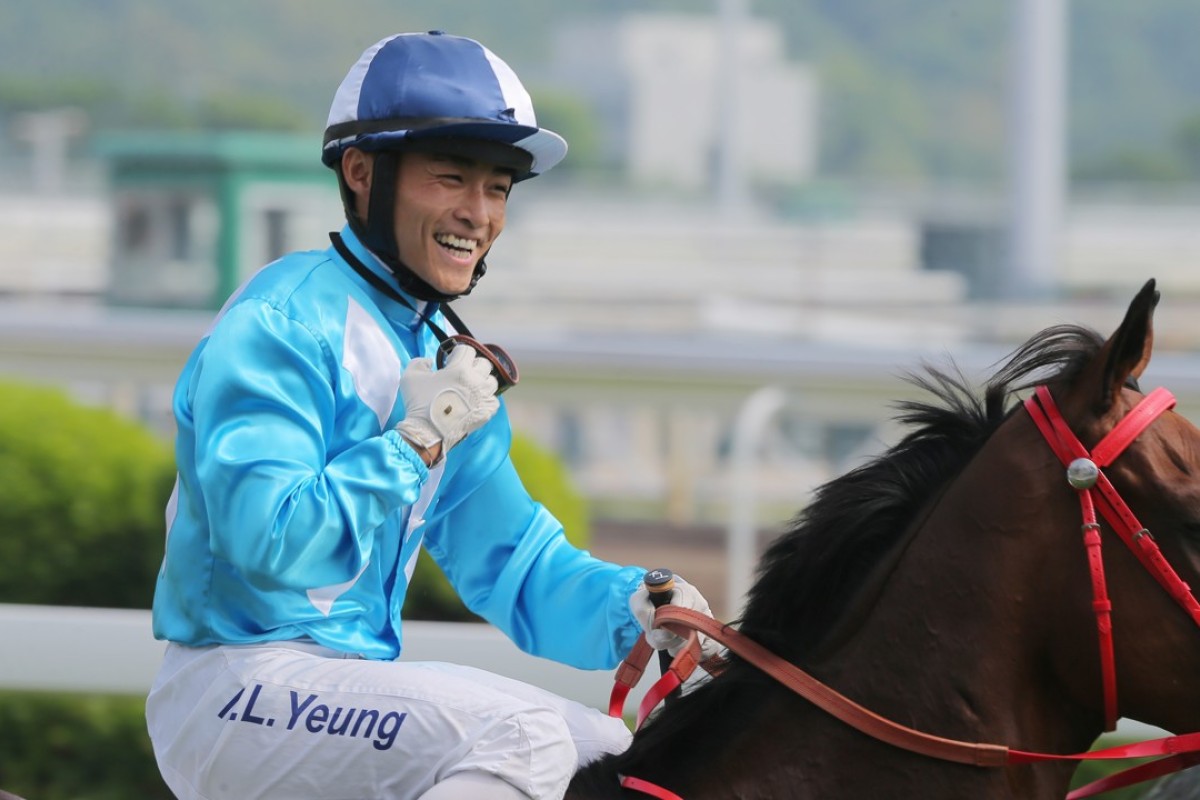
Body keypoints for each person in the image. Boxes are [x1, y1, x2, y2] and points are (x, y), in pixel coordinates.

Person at [145, 31, 717, 800]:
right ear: (361, 173)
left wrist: (638, 606)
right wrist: (416, 440)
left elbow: (514, 565)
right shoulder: (280, 323)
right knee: (527, 736)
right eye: (452, 177)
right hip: (231, 689)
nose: (477, 214)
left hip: (344, 701)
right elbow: (267, 540)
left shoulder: (447, 360)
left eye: (498, 189)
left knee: (618, 753)